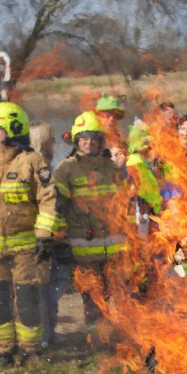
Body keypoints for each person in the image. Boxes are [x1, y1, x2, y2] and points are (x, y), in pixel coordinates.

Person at [0, 102, 59, 365]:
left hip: (26, 251)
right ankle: (2, 351)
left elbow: (48, 199)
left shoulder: (31, 162)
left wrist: (43, 235)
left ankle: (31, 350)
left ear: (10, 130)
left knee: (28, 301)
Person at [54, 111, 125, 331]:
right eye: (84, 139)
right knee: (91, 291)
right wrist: (59, 240)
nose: (89, 143)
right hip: (83, 243)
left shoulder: (111, 168)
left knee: (116, 291)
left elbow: (124, 202)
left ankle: (119, 333)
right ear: (76, 141)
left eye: (94, 139)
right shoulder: (66, 169)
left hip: (113, 244)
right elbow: (57, 207)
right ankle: (96, 335)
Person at [30, 121, 71, 348]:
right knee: (45, 289)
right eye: (51, 139)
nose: (55, 143)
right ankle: (44, 336)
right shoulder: (39, 168)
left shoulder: (46, 165)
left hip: (54, 237)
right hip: (44, 238)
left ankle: (49, 333)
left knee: (51, 288)